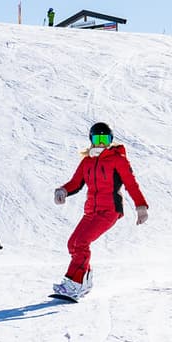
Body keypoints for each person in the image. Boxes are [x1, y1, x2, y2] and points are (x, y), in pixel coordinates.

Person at [50, 122, 149, 301]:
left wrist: (141, 206)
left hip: (109, 210)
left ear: (110, 140)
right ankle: (84, 278)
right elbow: (76, 183)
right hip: (91, 211)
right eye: (97, 138)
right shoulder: (87, 161)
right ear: (91, 140)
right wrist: (63, 190)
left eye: (105, 139)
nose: (101, 143)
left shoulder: (118, 159)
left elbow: (131, 184)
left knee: (81, 243)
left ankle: (75, 283)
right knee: (73, 243)